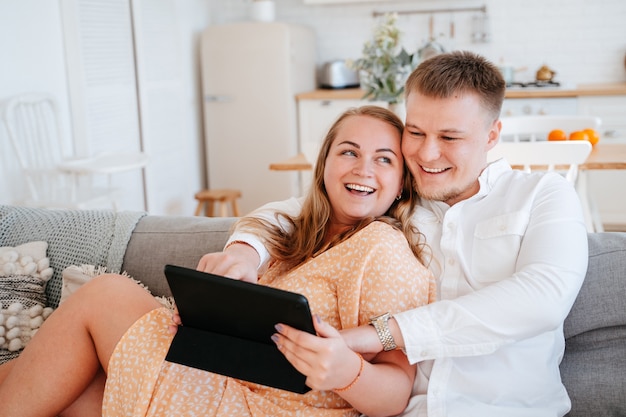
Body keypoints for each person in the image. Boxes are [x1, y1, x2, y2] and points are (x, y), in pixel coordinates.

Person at [199, 51, 589, 417]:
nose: (427, 154)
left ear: (491, 135)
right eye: (415, 132)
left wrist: (373, 336)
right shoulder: (399, 200)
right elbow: (301, 207)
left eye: (449, 138)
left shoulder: (543, 195)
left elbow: (544, 297)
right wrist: (245, 251)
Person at [0, 105, 435, 417]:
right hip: (219, 379)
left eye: (384, 159)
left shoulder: (385, 249)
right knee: (70, 387)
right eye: (349, 152)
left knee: (106, 294)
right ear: (324, 166)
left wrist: (347, 370)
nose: (363, 169)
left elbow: (396, 392)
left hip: (272, 407)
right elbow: (262, 230)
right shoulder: (300, 234)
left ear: (401, 184)